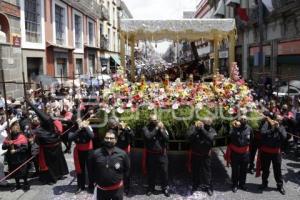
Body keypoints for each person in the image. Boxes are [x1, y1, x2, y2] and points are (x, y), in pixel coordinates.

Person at [25, 98, 69, 184]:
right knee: (49, 165)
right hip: (47, 148)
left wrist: (29, 103)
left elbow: (37, 111)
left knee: (57, 161)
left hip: (55, 145)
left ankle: (59, 175)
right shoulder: (42, 128)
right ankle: (50, 178)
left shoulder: (48, 123)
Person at [88, 130, 130, 200]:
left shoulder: (123, 154)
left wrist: (125, 185)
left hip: (117, 190)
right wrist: (93, 183)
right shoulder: (95, 154)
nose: (109, 140)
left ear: (116, 140)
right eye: (107, 138)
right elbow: (91, 170)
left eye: (111, 138)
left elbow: (127, 170)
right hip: (101, 190)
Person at [257, 115, 287, 195]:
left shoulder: (282, 127)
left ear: (281, 121)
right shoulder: (267, 124)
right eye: (277, 119)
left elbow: (284, 137)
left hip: (276, 152)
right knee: (265, 169)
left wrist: (278, 129)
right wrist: (272, 129)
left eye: (280, 120)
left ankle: (280, 186)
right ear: (274, 119)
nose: (278, 121)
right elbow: (262, 133)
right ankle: (264, 183)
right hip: (266, 151)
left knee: (277, 170)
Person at [187, 118, 216, 196]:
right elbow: (189, 138)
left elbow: (211, 138)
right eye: (206, 122)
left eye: (209, 122)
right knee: (195, 170)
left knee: (207, 171)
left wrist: (202, 130)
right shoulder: (193, 128)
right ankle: (195, 184)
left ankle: (208, 186)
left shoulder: (211, 130)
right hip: (195, 153)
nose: (208, 123)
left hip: (206, 155)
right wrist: (197, 130)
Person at [142, 114, 170, 197]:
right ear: (149, 120)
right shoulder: (145, 128)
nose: (154, 122)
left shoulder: (162, 127)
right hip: (151, 155)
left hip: (162, 154)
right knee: (151, 172)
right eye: (152, 120)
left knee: (164, 172)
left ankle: (165, 188)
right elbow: (148, 137)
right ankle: (151, 188)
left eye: (155, 120)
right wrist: (157, 128)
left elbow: (167, 138)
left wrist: (161, 129)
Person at [224, 116, 252, 193]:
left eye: (245, 119)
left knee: (244, 170)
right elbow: (230, 137)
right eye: (242, 119)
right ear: (239, 120)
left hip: (245, 153)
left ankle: (242, 184)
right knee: (235, 170)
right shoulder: (234, 128)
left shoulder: (249, 128)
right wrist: (235, 128)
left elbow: (251, 139)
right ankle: (235, 184)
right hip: (235, 153)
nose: (243, 120)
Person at [107, 117, 134, 195]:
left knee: (127, 170)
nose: (117, 125)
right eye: (115, 124)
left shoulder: (125, 128)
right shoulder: (112, 130)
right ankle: (117, 185)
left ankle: (127, 187)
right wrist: (117, 134)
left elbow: (132, 136)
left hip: (125, 151)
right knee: (116, 168)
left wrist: (127, 130)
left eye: (117, 123)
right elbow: (109, 140)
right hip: (116, 152)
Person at [2, 119, 30, 191]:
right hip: (12, 158)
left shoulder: (21, 136)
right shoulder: (9, 137)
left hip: (21, 158)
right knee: (15, 172)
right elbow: (3, 147)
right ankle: (17, 185)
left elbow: (25, 147)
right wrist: (9, 144)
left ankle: (26, 183)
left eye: (16, 127)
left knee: (23, 172)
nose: (15, 129)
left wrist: (16, 150)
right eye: (13, 127)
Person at [69, 119, 94, 194]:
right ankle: (80, 186)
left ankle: (91, 186)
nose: (80, 123)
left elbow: (92, 136)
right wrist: (78, 130)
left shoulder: (88, 127)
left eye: (81, 122)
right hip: (79, 150)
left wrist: (86, 127)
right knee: (80, 169)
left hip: (89, 150)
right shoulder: (74, 129)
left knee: (90, 169)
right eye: (78, 122)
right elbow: (70, 138)